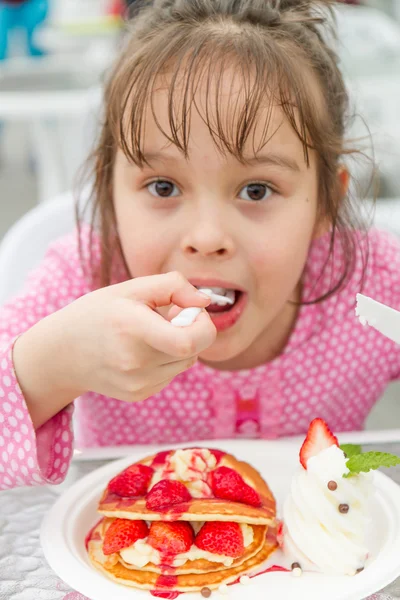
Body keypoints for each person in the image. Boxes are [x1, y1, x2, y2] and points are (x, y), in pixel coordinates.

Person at [1, 0, 399, 491]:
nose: (207, 238)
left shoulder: (376, 279)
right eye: (163, 188)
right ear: (110, 194)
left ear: (325, 205)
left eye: (256, 190)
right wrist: (53, 365)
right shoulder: (82, 277)